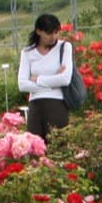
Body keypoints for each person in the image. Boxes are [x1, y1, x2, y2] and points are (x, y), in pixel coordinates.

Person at [17, 13, 74, 141]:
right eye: (49, 33)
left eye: (56, 32)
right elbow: (22, 84)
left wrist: (38, 79)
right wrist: (54, 80)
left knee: (58, 146)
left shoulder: (64, 47)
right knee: (35, 148)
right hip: (35, 106)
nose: (53, 37)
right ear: (39, 31)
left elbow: (65, 79)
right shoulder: (28, 52)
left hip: (57, 104)